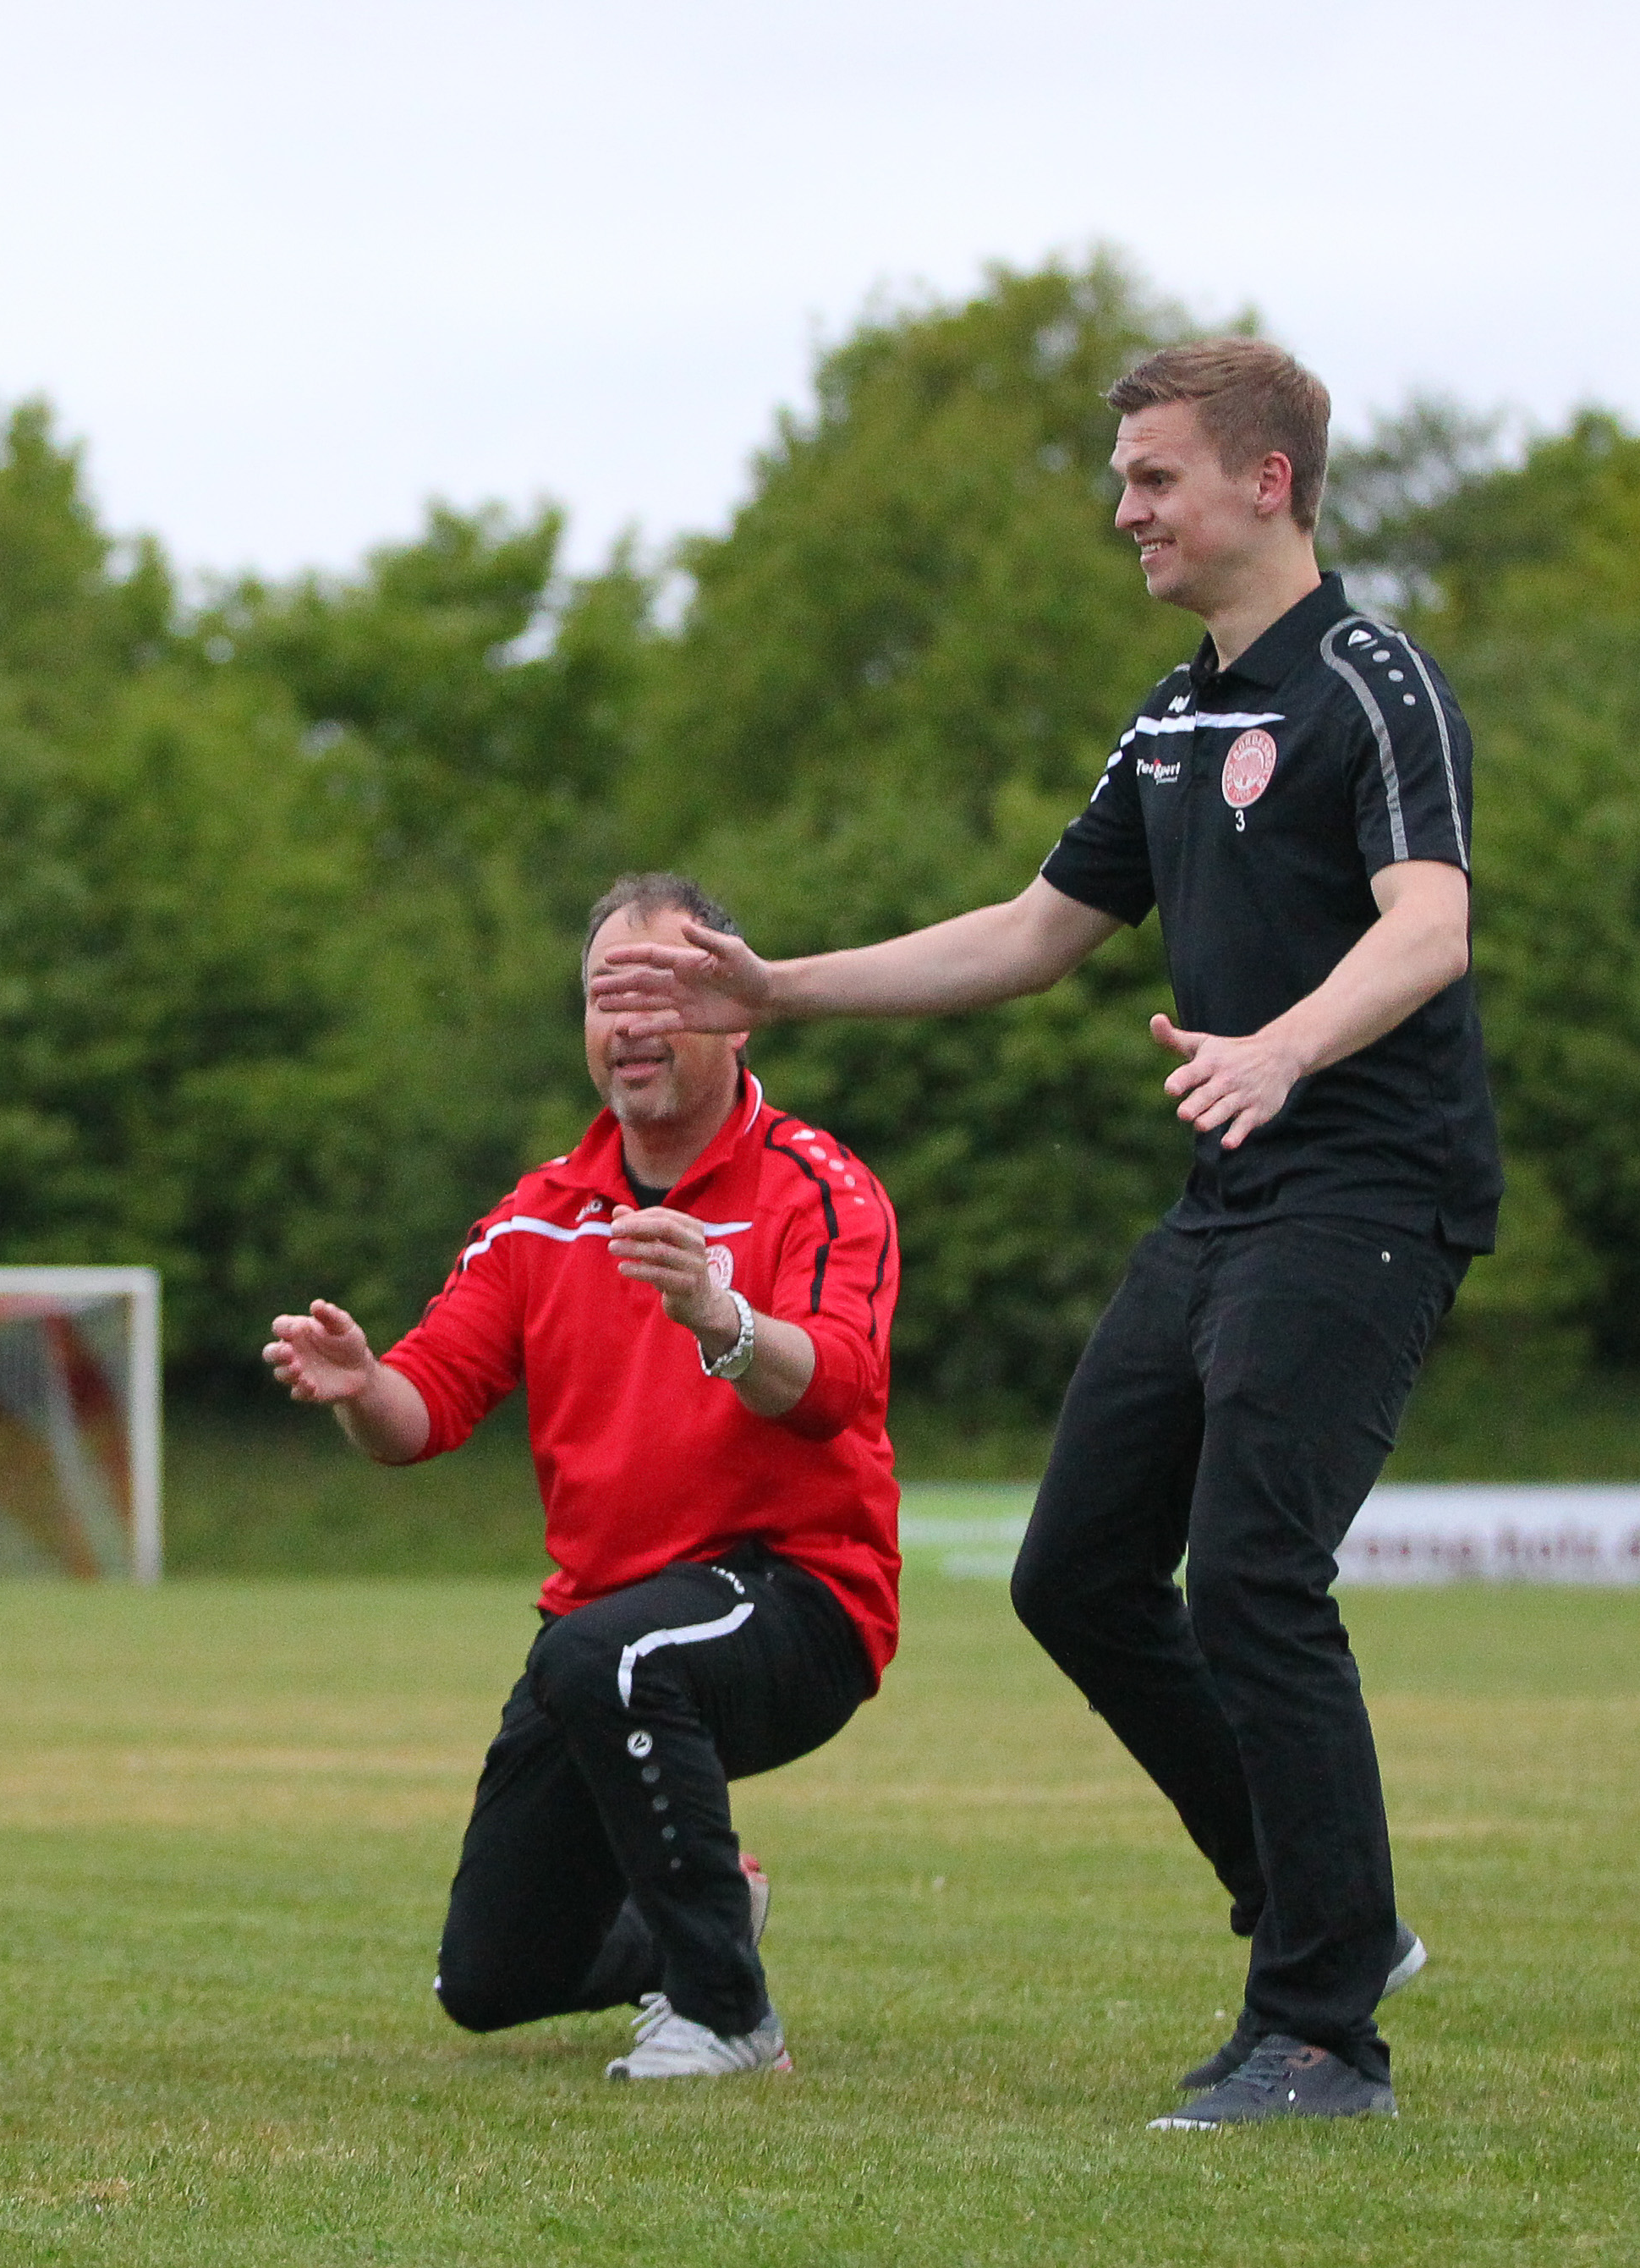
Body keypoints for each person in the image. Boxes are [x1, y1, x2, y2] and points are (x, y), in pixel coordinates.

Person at [591, 338, 1488, 2128]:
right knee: (1074, 1572)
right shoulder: (1173, 714)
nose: (1124, 508)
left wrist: (1281, 1047)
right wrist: (786, 986)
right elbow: (1025, 930)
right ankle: (1334, 1909)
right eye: (1126, 477)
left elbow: (1431, 926)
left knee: (1247, 1578)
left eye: (1154, 477)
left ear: (1267, 484)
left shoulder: (1370, 685)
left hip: (1364, 1194)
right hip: (1228, 1200)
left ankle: (1321, 2033)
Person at [266, 872, 901, 2082]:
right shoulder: (537, 1218)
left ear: (736, 1011)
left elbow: (833, 1386)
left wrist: (720, 1317)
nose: (630, 1021)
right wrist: (358, 1391)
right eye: (605, 995)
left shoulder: (819, 1186)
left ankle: (725, 2013)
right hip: (600, 1642)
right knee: (488, 1979)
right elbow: (422, 1409)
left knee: (602, 1652)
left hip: (798, 1602)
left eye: (663, 987)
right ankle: (710, 1918)